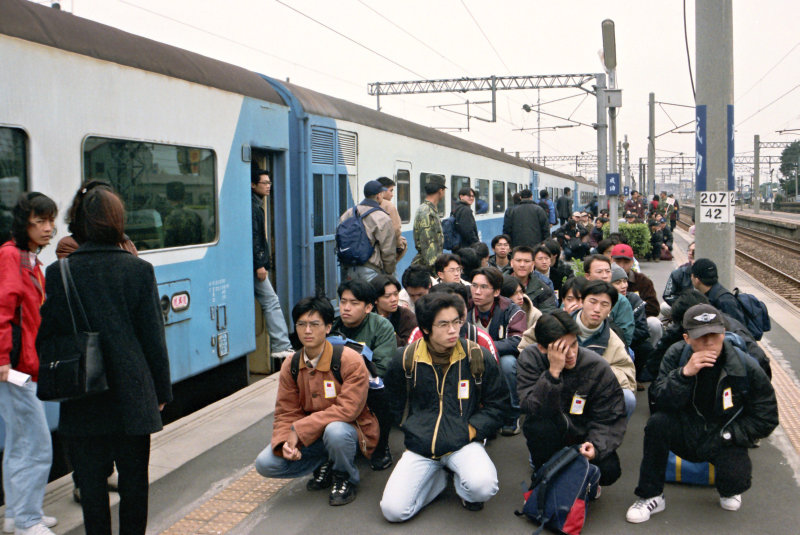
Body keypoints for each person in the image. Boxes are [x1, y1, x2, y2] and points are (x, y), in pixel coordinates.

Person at [38, 188, 172, 535]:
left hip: (83, 396)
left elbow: (47, 338)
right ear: (118, 223)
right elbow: (153, 340)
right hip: (133, 396)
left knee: (93, 490)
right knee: (134, 486)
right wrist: (160, 391)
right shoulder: (139, 270)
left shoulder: (60, 273)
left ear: (79, 223)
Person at [626, 304, 778, 523]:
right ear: (687, 338)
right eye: (701, 336)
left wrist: (731, 434)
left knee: (735, 486)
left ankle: (729, 487)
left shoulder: (744, 365)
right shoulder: (676, 354)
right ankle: (651, 495)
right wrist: (684, 374)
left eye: (714, 335)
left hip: (723, 435)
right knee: (657, 423)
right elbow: (658, 401)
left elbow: (767, 415)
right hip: (686, 431)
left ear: (724, 333)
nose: (709, 342)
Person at [380, 293, 508, 521]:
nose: (453, 330)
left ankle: (462, 487)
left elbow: (498, 405)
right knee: (393, 512)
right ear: (427, 328)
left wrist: (472, 430)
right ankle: (438, 480)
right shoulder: (405, 359)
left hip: (463, 442)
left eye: (456, 322)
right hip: (421, 447)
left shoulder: (476, 357)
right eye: (444, 324)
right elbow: (392, 400)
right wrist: (411, 426)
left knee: (483, 488)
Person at [255, 297, 378, 507]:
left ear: (328, 327)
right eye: (301, 324)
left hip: (352, 431)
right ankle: (326, 461)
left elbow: (348, 410)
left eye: (314, 324)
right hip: (313, 435)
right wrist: (285, 441)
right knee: (265, 464)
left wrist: (299, 429)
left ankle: (344, 477)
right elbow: (286, 411)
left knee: (335, 431)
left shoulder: (349, 360)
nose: (307, 331)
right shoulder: (290, 364)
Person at [0, 193, 59, 535]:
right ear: (24, 224)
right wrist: (3, 360)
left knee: (20, 441)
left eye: (50, 220)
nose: (48, 228)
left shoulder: (28, 258)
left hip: (21, 367)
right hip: (15, 370)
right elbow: (4, 309)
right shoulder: (12, 256)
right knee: (36, 442)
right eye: (39, 221)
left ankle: (18, 513)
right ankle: (26, 521)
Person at [517, 311, 627, 487]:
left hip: (583, 436)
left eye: (574, 344)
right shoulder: (530, 358)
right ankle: (543, 475)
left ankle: (582, 480)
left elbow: (610, 416)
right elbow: (530, 407)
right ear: (542, 348)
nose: (570, 354)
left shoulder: (596, 366)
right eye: (561, 348)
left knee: (610, 470)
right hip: (550, 433)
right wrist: (553, 374)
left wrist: (595, 446)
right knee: (537, 426)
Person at [331, 279, 397, 470]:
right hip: (337, 384)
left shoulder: (382, 327)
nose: (346, 308)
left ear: (368, 307)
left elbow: (382, 367)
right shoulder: (333, 326)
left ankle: (381, 447)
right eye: (343, 302)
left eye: (354, 303)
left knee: (383, 395)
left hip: (370, 386)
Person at [468, 267, 527, 435]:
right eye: (474, 286)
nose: (477, 292)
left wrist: (486, 348)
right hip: (469, 355)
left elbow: (517, 341)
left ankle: (512, 414)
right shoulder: (465, 307)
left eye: (484, 287)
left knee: (509, 363)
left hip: (498, 357)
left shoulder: (512, 310)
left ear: (496, 292)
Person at [573, 280, 637, 417]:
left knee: (627, 398)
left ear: (610, 309)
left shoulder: (613, 340)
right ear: (582, 301)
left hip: (597, 392)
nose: (597, 309)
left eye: (604, 304)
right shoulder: (558, 325)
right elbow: (527, 346)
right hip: (558, 387)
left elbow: (628, 378)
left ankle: (610, 436)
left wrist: (597, 373)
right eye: (592, 301)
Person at [252, 169, 293, 360]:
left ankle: (281, 345)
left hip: (252, 264)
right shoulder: (254, 207)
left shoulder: (255, 204)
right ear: (253, 185)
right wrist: (261, 264)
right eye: (265, 183)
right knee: (271, 302)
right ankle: (281, 346)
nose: (269, 186)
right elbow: (255, 237)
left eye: (269, 182)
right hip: (255, 266)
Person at [406, 283, 500, 362]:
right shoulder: (419, 334)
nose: (458, 311)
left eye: (460, 305)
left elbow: (495, 380)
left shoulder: (480, 338)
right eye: (443, 324)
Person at [338, 180, 397, 281]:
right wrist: (389, 272)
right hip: (372, 270)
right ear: (378, 195)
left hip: (351, 269)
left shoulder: (349, 213)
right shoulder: (382, 217)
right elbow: (388, 250)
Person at [610, 265, 655, 386]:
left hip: (630, 340)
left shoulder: (634, 299)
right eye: (617, 282)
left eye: (625, 281)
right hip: (609, 342)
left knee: (645, 348)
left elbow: (642, 330)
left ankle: (636, 376)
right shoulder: (604, 301)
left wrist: (625, 337)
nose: (623, 285)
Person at [610, 244, 662, 347]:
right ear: (611, 260)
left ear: (633, 262)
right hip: (613, 323)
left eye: (626, 262)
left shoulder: (643, 281)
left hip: (637, 322)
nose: (621, 266)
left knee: (654, 323)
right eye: (618, 261)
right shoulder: (603, 279)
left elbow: (654, 308)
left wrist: (633, 312)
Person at [584, 254, 634, 346]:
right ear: (587, 276)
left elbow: (626, 335)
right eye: (599, 272)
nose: (605, 276)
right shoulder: (578, 294)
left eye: (608, 271)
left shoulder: (621, 300)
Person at [691, 258, 747, 328]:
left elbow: (739, 329)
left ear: (697, 280)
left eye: (692, 275)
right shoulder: (710, 295)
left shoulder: (725, 300)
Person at [371, 274, 417, 347]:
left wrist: (386, 328)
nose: (394, 299)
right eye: (387, 296)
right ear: (375, 299)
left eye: (396, 294)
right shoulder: (367, 315)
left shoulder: (407, 317)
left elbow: (406, 349)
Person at [510, 246, 558, 314]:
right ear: (511, 263)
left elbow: (548, 312)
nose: (522, 265)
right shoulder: (500, 283)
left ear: (532, 264)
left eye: (527, 261)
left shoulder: (543, 287)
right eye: (518, 260)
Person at [412, 175, 446, 269]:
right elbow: (429, 248)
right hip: (428, 268)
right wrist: (436, 273)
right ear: (440, 191)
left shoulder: (428, 209)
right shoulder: (427, 212)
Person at [163, 181, 203, 247]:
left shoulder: (168, 218)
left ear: (167, 197)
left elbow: (167, 244)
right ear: (184, 196)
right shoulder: (195, 216)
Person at [377, 176, 408, 262]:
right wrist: (400, 246)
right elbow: (396, 230)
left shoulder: (365, 205)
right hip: (385, 253)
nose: (392, 194)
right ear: (382, 191)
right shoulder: (388, 206)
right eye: (390, 190)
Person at [663, 241, 695, 308]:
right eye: (689, 250)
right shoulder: (680, 271)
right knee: (664, 307)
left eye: (694, 251)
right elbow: (668, 295)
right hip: (682, 305)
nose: (690, 253)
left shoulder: (708, 271)